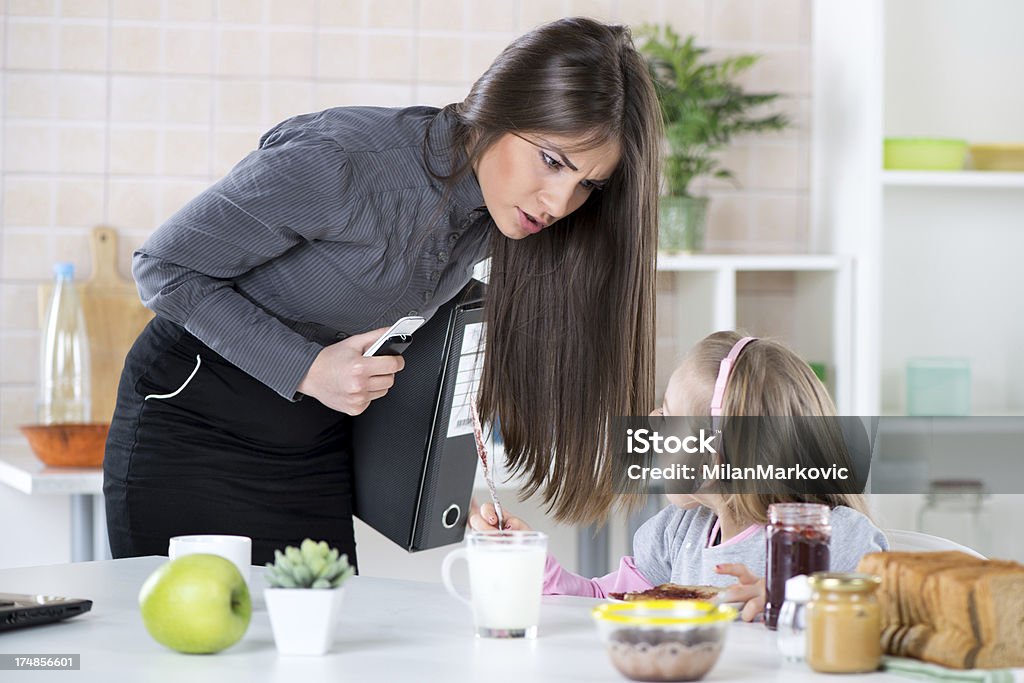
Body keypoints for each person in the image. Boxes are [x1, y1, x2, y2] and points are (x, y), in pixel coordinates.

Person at [102, 17, 663, 566]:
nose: (561, 203)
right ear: (498, 111)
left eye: (587, 184)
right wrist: (307, 368)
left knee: (321, 646)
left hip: (312, 449)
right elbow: (163, 266)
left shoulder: (496, 219)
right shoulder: (343, 162)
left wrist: (434, 482)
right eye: (551, 160)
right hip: (190, 430)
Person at [470, 331, 889, 622]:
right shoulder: (675, 533)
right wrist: (529, 563)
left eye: (667, 415)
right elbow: (611, 602)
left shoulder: (832, 537)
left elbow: (887, 616)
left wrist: (794, 603)